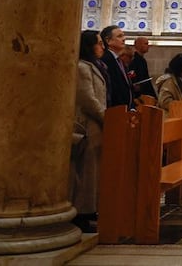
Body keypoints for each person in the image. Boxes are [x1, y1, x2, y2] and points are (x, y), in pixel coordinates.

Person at [72, 30, 107, 234]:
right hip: (87, 126)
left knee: (92, 171)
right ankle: (81, 213)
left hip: (96, 127)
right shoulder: (81, 68)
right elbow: (87, 99)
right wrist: (106, 117)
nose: (102, 46)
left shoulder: (92, 66)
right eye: (99, 43)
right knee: (84, 173)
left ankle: (90, 209)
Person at [99, 26, 132, 107]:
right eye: (119, 36)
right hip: (114, 110)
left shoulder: (118, 60)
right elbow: (112, 88)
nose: (124, 39)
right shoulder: (106, 60)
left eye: (123, 35)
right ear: (108, 40)